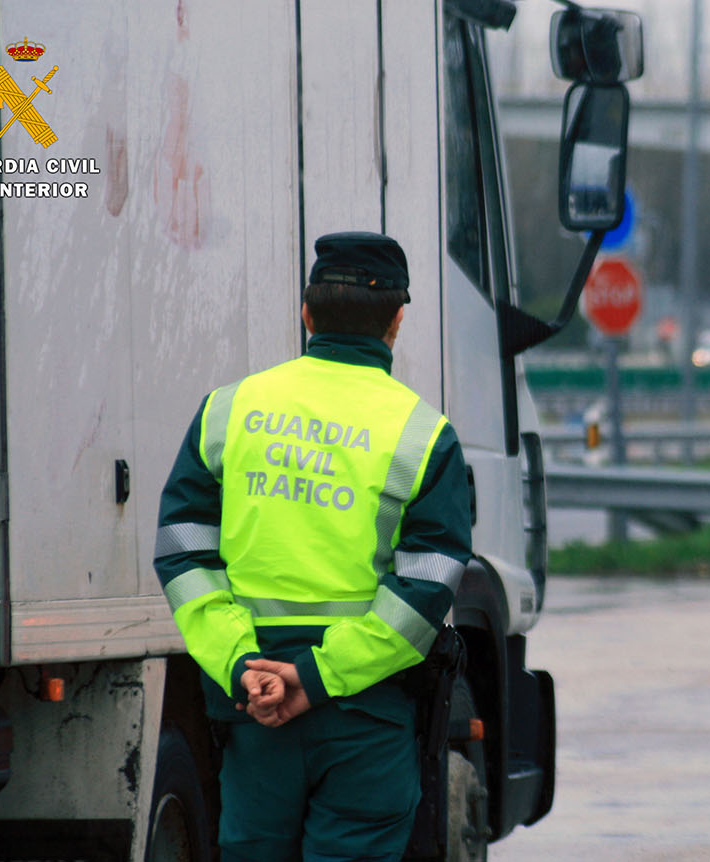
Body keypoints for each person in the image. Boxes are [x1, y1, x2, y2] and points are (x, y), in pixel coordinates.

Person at [153, 231, 473, 862]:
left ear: (306, 313)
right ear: (397, 321)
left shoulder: (229, 411)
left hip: (257, 708)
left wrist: (245, 667)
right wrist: (318, 676)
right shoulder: (422, 435)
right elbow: (427, 590)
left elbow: (182, 551)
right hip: (364, 716)